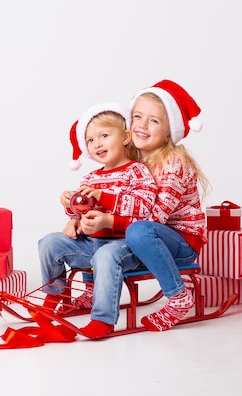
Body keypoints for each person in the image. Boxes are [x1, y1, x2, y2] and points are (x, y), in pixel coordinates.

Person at [81, 79, 210, 338]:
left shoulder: (173, 163)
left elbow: (155, 219)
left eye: (154, 121)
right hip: (146, 235)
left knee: (138, 231)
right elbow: (121, 203)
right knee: (101, 234)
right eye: (137, 116)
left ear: (168, 132)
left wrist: (111, 221)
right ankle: (93, 290)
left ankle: (178, 297)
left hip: (181, 240)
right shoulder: (133, 159)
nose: (141, 125)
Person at [38, 103, 157, 314]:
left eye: (104, 136)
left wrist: (106, 202)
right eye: (90, 140)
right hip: (91, 244)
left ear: (125, 137)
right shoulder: (90, 178)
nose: (97, 144)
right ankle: (56, 293)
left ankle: (102, 316)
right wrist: (72, 213)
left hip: (125, 247)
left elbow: (145, 208)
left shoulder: (136, 171)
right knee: (49, 242)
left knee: (105, 255)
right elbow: (82, 212)